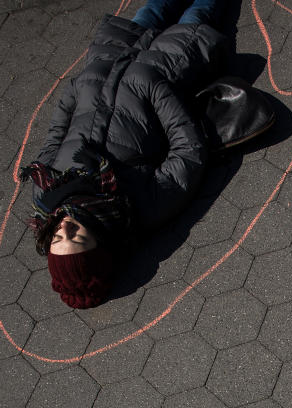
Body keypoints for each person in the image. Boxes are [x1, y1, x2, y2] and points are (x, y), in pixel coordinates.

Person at [20, 0, 239, 308]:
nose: (65, 227)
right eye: (78, 238)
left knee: (154, 8)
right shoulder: (139, 208)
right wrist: (154, 89)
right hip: (165, 66)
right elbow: (188, 153)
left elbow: (55, 135)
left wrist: (74, 90)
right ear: (102, 244)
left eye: (57, 239)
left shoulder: (46, 193)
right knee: (199, 11)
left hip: (110, 58)